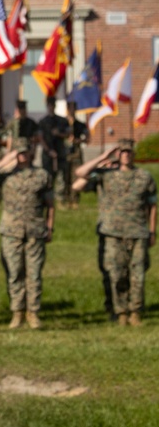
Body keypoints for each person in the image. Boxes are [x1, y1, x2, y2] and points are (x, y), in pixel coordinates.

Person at [74, 137, 157, 326]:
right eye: (122, 152)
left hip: (138, 232)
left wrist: (152, 231)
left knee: (138, 275)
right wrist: (103, 157)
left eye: (128, 152)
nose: (125, 155)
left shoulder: (145, 176)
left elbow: (152, 206)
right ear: (117, 154)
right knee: (116, 274)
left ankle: (135, 311)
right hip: (112, 232)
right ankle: (120, 311)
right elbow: (80, 174)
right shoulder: (105, 174)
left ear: (133, 154)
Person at [0, 136, 54, 328]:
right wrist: (2, 162)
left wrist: (50, 226)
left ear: (30, 153)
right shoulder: (5, 174)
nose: (22, 156)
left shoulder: (42, 175)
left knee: (34, 274)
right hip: (11, 230)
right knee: (14, 272)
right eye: (18, 153)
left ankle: (33, 312)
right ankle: (17, 312)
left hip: (35, 229)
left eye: (25, 152)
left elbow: (50, 204)